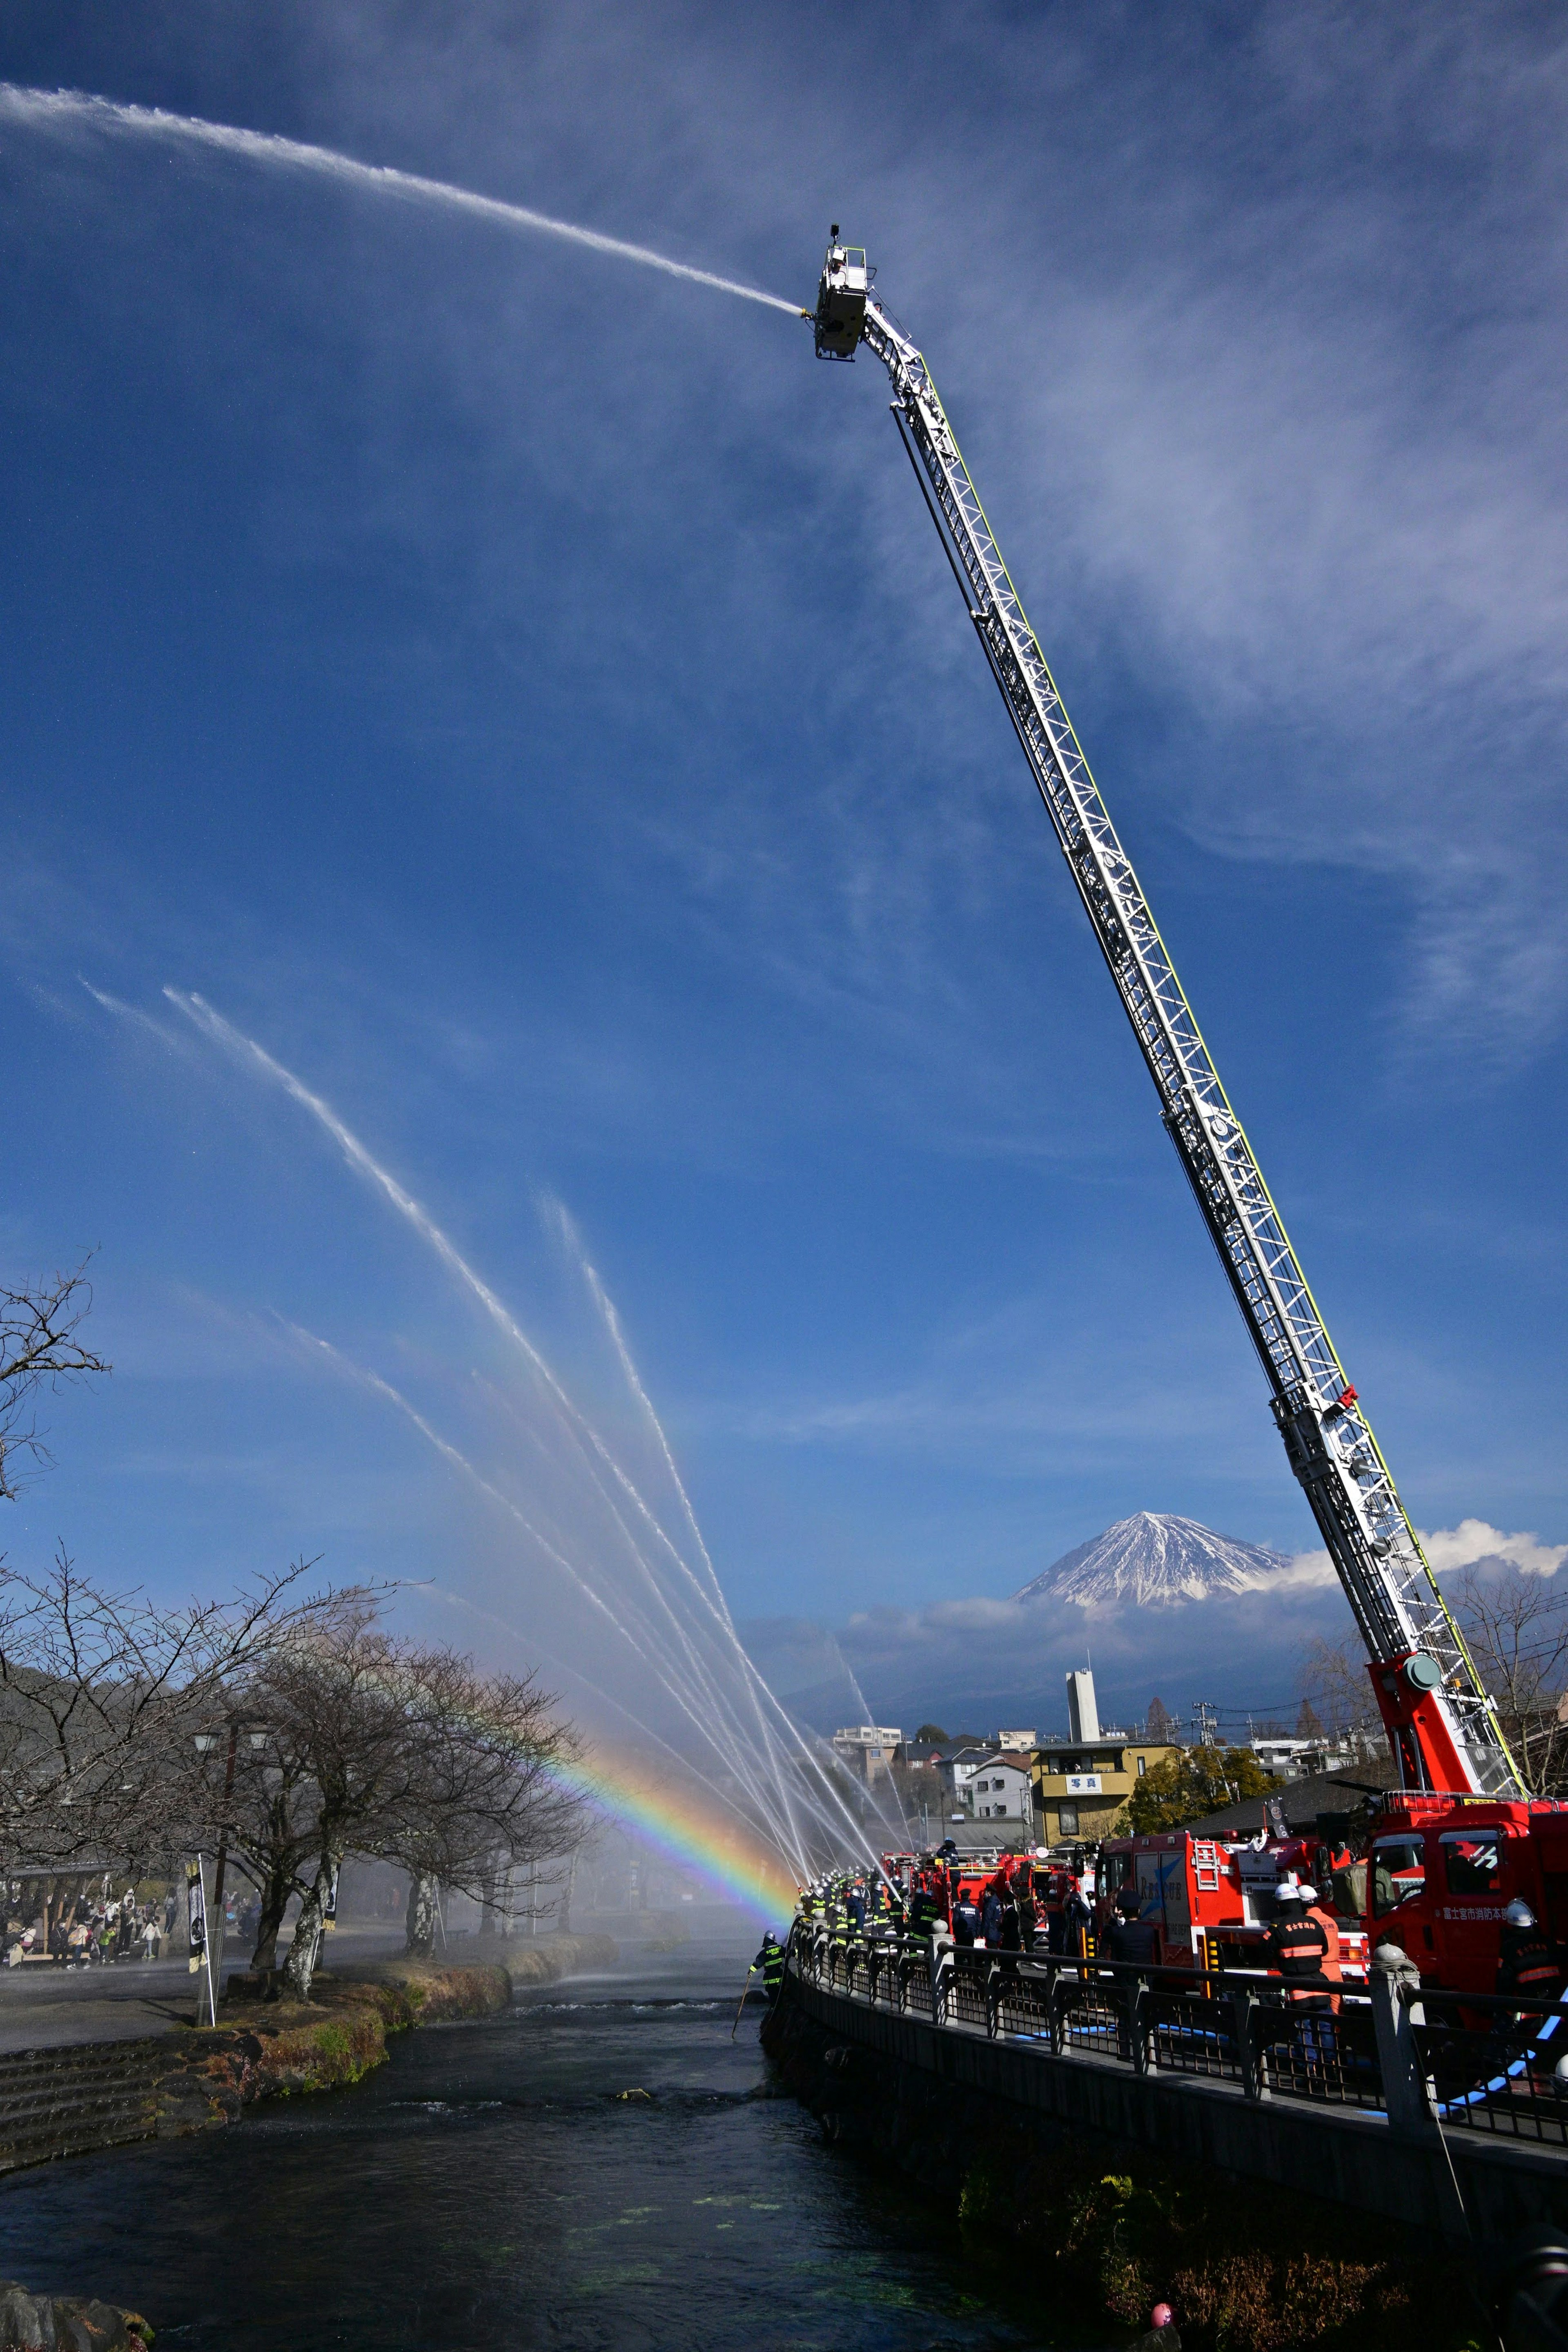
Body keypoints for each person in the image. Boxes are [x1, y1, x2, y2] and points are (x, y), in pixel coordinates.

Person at [1265, 1879, 1333, 2064]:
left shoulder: (1278, 1927)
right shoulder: (1313, 1923)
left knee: (1303, 2030)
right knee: (1325, 2028)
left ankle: (1310, 2070)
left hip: (1296, 1988)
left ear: (1279, 1905)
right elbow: (1325, 1950)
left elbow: (1265, 1951)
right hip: (1319, 1984)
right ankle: (1332, 2066)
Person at [753, 1931, 786, 2003]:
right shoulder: (780, 1948)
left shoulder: (765, 1953)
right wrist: (796, 1951)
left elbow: (758, 1964)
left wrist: (750, 1971)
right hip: (780, 1975)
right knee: (779, 1994)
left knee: (772, 1996)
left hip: (770, 1977)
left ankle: (774, 2007)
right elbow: (788, 1953)